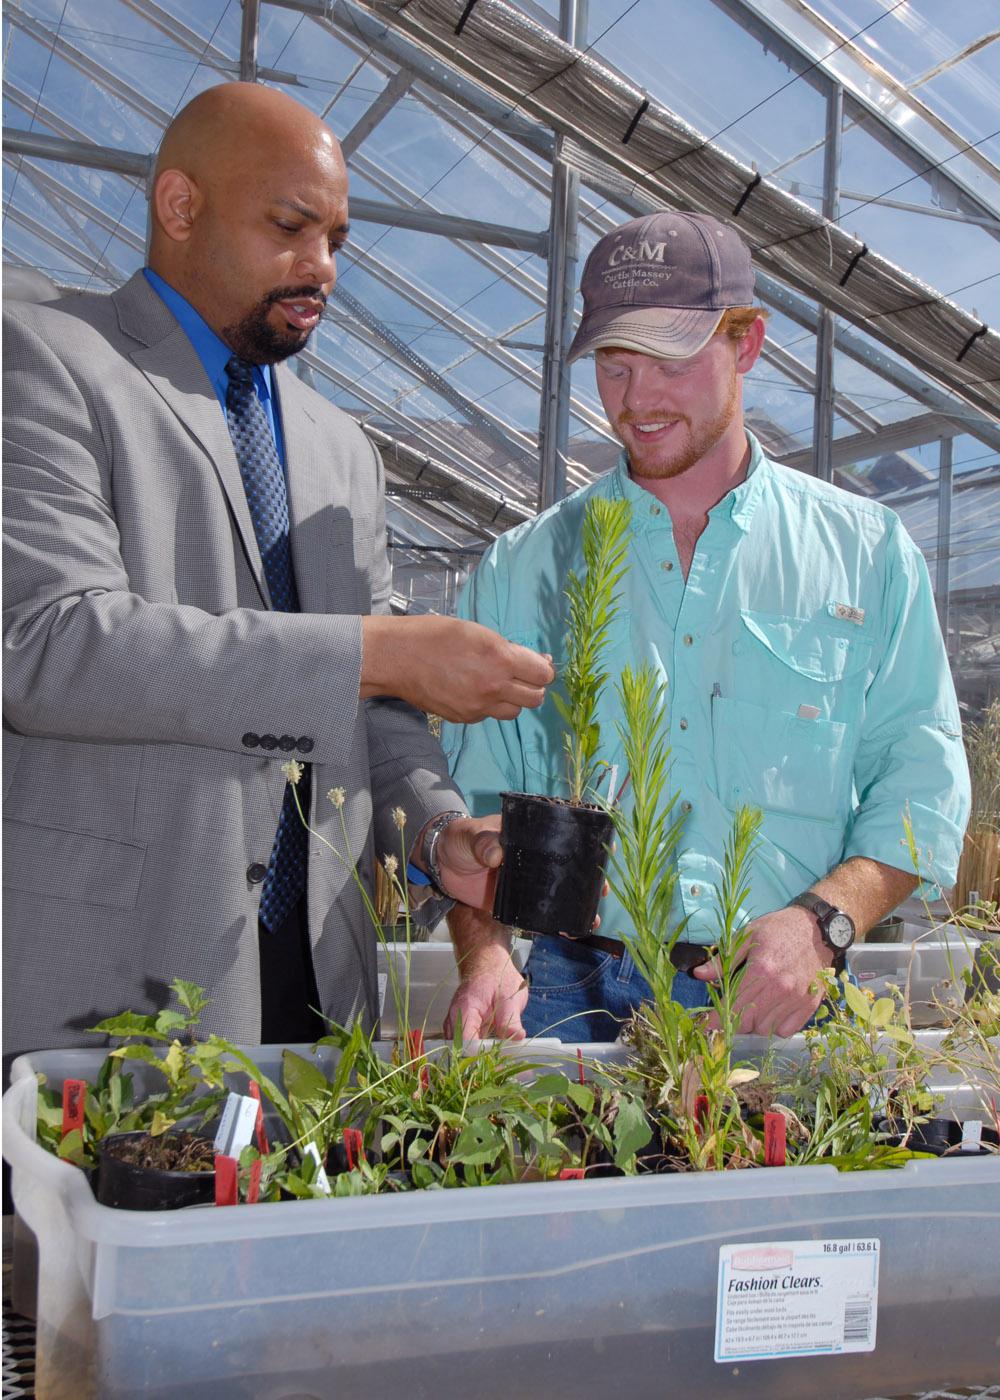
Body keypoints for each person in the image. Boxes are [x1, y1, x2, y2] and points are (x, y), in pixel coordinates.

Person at [2, 82, 555, 1064]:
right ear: (180, 206)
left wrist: (436, 836)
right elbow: (50, 643)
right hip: (121, 973)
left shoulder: (339, 448)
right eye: (292, 226)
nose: (323, 268)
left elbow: (375, 705)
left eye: (337, 236)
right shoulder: (48, 357)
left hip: (313, 976)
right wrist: (376, 646)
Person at [442, 210, 971, 1043]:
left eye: (673, 363)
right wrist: (483, 957)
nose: (638, 400)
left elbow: (920, 782)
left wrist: (824, 925)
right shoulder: (524, 568)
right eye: (614, 368)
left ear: (747, 344)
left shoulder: (864, 554)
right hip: (563, 995)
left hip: (780, 995)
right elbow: (467, 806)